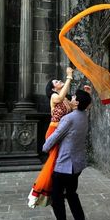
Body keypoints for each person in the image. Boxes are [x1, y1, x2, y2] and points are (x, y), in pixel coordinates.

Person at [42, 89, 92, 220]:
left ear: (76, 102)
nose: (72, 97)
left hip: (64, 165)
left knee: (57, 199)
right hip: (77, 164)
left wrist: (44, 147)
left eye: (75, 97)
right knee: (71, 194)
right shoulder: (84, 116)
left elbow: (55, 137)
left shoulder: (69, 119)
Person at [28, 67, 74, 208]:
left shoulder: (65, 99)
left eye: (59, 80)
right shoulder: (55, 97)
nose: (59, 81)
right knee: (53, 159)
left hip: (63, 131)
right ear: (53, 88)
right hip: (54, 130)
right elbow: (60, 97)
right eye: (56, 81)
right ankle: (39, 191)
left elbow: (72, 108)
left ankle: (55, 186)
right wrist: (69, 77)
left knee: (59, 159)